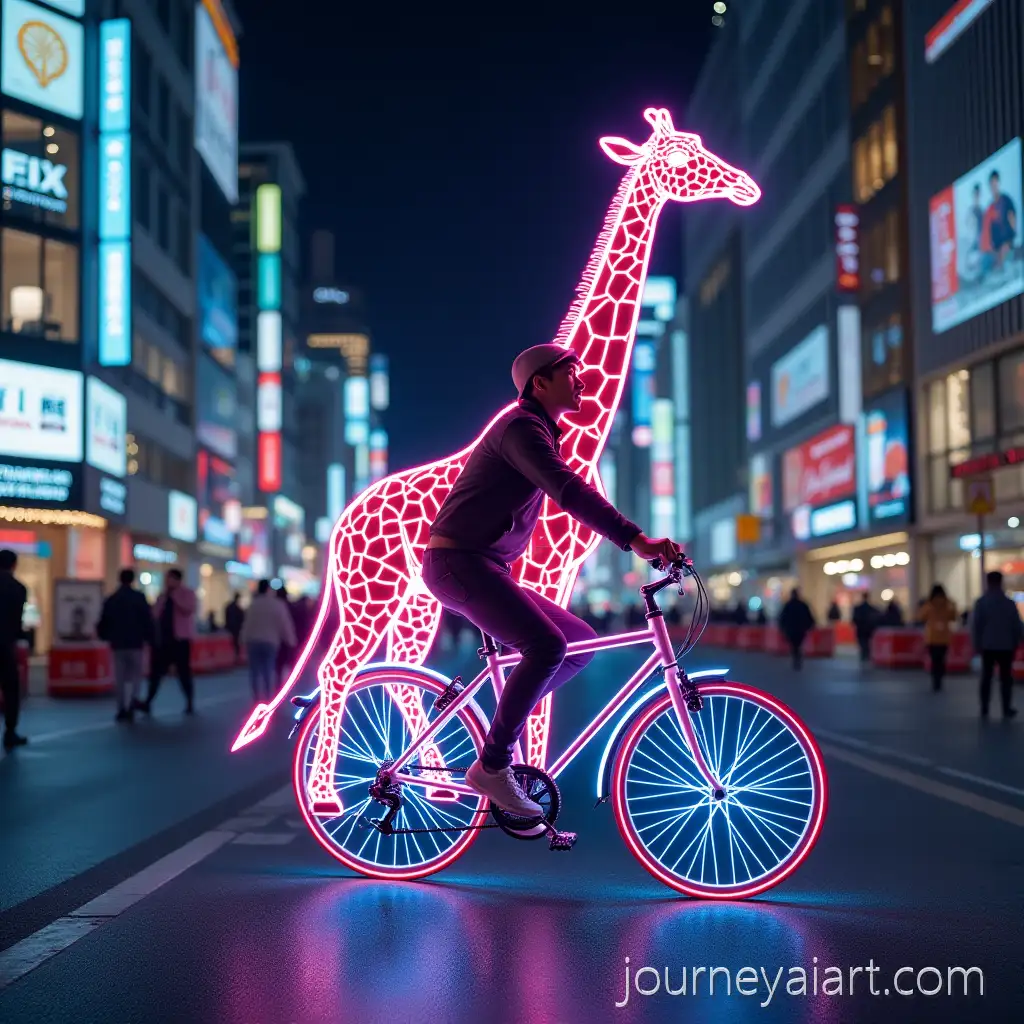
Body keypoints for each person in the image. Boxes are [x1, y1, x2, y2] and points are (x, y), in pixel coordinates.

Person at [421, 344, 683, 817]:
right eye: (570, 374)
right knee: (546, 646)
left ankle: (506, 719)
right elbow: (569, 491)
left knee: (578, 642)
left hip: (483, 565)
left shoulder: (536, 429)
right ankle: (492, 765)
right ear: (540, 384)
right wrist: (636, 540)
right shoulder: (521, 427)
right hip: (458, 562)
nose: (582, 382)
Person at [97, 569, 155, 721]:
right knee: (135, 676)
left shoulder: (112, 599)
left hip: (118, 644)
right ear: (133, 580)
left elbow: (104, 620)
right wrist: (150, 638)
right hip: (136, 643)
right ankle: (132, 704)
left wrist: (105, 636)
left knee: (120, 677)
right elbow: (147, 620)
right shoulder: (139, 598)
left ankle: (121, 707)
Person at [144, 568, 197, 715]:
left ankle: (189, 701)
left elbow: (189, 609)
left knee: (183, 671)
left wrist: (175, 597)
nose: (167, 582)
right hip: (163, 640)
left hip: (180, 639)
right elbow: (154, 614)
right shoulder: (163, 596)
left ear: (177, 579)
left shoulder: (187, 593)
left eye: (169, 578)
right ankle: (148, 701)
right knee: (156, 672)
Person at [971, 571, 1021, 719]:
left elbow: (976, 625)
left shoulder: (981, 603)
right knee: (1006, 678)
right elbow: (1016, 626)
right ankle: (1006, 708)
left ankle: (984, 708)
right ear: (1001, 582)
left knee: (986, 677)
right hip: (1006, 646)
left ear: (988, 582)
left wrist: (976, 644)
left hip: (987, 645)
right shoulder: (1009, 603)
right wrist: (1016, 642)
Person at [240, 580, 297, 700]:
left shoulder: (253, 604)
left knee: (254, 671)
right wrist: (291, 640)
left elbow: (247, 624)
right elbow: (284, 624)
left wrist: (243, 639)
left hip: (253, 641)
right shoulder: (277, 604)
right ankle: (268, 697)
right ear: (269, 589)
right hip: (271, 641)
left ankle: (256, 697)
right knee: (268, 669)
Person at [0, 549, 28, 749]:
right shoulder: (18, 588)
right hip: (5, 644)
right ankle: (10, 731)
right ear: (14, 565)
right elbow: (18, 620)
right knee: (10, 688)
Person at [918, 584, 958, 692]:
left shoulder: (929, 605)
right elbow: (954, 617)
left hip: (932, 637)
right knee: (942, 659)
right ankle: (940, 678)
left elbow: (921, 617)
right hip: (944, 637)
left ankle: (935, 681)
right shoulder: (948, 604)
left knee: (934, 660)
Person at [778, 588, 814, 670]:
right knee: (798, 644)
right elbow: (809, 617)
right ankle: (798, 657)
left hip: (791, 629)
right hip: (801, 629)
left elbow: (782, 618)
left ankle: (796, 657)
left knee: (794, 645)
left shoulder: (788, 605)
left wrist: (782, 628)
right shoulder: (802, 605)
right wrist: (809, 626)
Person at [852, 593, 879, 663]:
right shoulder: (871, 609)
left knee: (862, 642)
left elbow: (854, 619)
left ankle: (863, 655)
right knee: (867, 642)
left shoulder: (858, 608)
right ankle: (867, 655)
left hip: (861, 629)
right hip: (868, 629)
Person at [224, 593, 244, 661]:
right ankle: (236, 656)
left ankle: (234, 656)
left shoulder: (230, 607)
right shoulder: (237, 608)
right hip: (235, 628)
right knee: (235, 642)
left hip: (232, 627)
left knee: (234, 642)